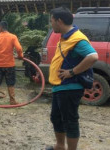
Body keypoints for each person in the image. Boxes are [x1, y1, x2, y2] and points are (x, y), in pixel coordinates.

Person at [46, 7, 98, 150]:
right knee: (56, 117)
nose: (52, 24)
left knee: (70, 120)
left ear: (59, 21)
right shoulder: (66, 37)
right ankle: (60, 146)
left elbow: (93, 56)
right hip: (60, 86)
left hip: (70, 86)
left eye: (52, 21)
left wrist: (72, 72)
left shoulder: (77, 38)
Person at [0, 21, 23, 105]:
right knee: (10, 82)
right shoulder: (13, 37)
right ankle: (12, 101)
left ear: (0, 28)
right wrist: (20, 56)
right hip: (9, 65)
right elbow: (19, 48)